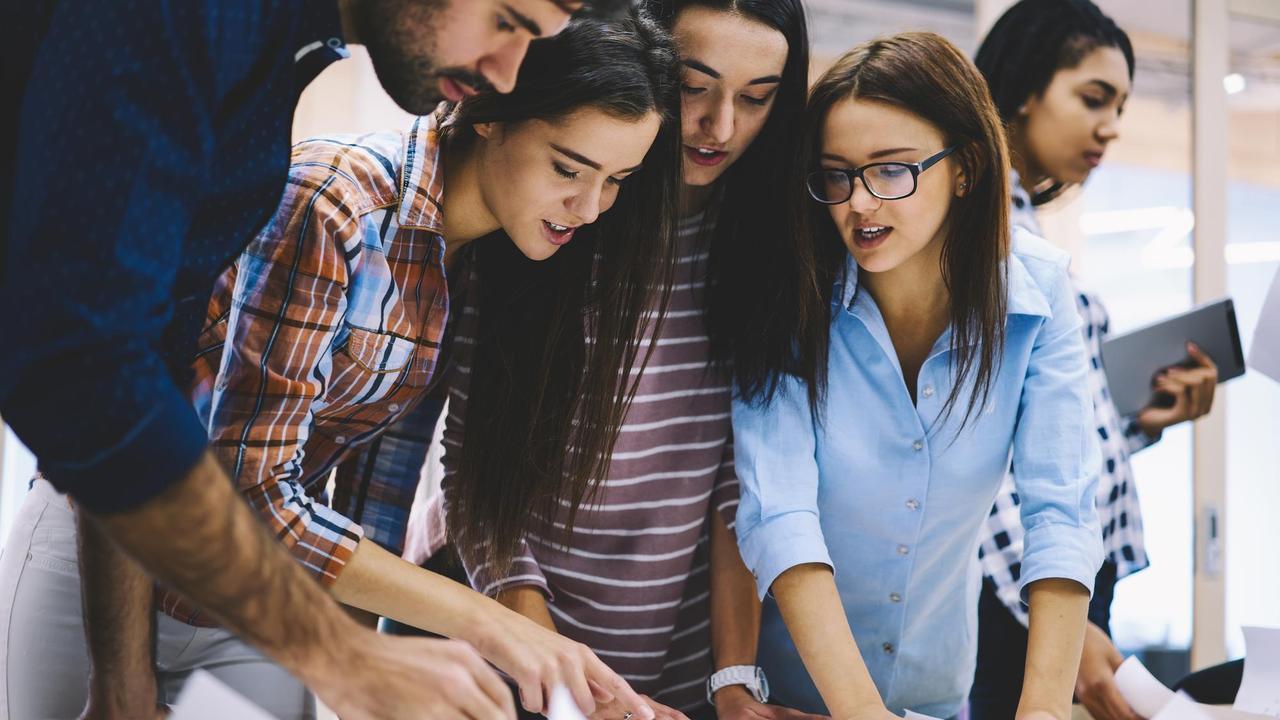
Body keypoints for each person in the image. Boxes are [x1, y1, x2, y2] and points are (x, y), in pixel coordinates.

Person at [0, 10, 678, 720]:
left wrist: (366, 677)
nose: (590, 206)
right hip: (108, 566)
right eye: (569, 167)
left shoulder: (484, 265)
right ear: (489, 116)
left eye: (618, 180)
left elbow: (372, 500)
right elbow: (243, 483)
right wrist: (486, 626)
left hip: (259, 609)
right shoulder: (338, 203)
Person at [414, 1, 823, 718]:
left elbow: (741, 483)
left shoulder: (769, 245)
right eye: (695, 87)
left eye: (756, 99)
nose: (721, 127)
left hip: (678, 670)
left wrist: (733, 680)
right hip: (508, 656)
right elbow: (474, 472)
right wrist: (564, 682)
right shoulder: (548, 213)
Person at [730, 31, 1105, 719]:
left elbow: (1063, 508)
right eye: (837, 174)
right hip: (798, 700)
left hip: (941, 692)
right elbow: (779, 514)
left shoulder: (1037, 292)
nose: (859, 204)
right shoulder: (789, 297)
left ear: (964, 167)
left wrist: (1045, 709)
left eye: (892, 169)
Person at [970, 3, 1220, 718]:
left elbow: (1046, 431)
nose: (1111, 126)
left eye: (1120, 105)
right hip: (1023, 589)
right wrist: (1057, 617)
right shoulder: (983, 234)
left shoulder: (1017, 225)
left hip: (1053, 577)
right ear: (1022, 89)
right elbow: (975, 455)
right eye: (1093, 98)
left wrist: (1139, 420)